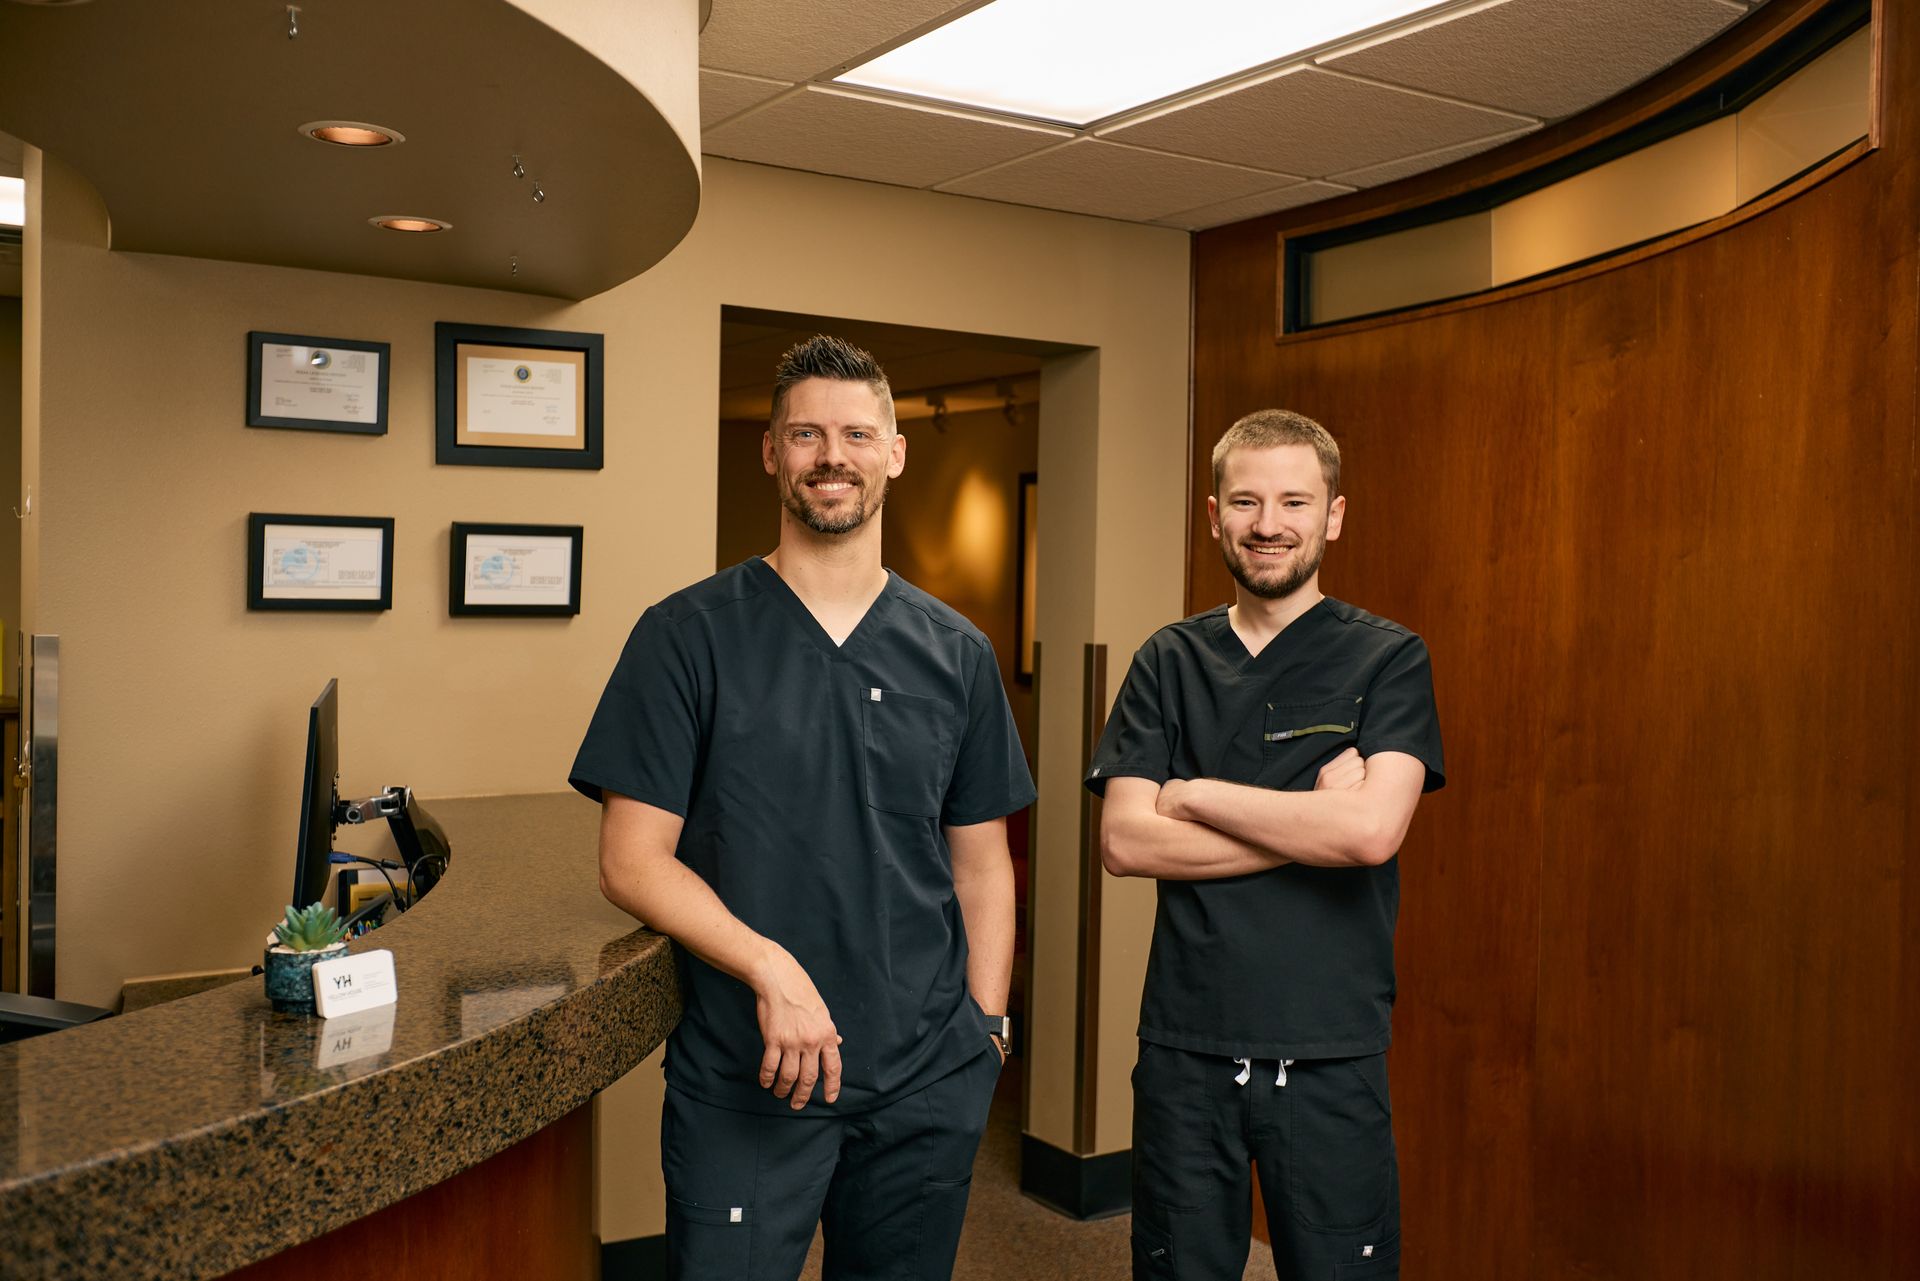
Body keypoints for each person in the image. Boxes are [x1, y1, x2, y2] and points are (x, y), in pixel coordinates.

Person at [570, 334, 1033, 1281]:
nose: (834, 455)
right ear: (772, 451)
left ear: (894, 453)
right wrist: (769, 965)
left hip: (925, 1082)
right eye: (808, 433)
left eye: (858, 433)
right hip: (748, 1076)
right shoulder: (686, 637)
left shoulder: (956, 652)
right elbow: (631, 859)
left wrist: (985, 1030)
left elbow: (982, 861)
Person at [1089, 410, 1444, 1280]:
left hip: (1327, 1052)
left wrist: (1198, 794)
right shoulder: (1167, 661)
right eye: (1245, 501)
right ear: (1213, 515)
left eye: (1294, 500)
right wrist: (1309, 825)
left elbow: (1371, 829)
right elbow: (1127, 842)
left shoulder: (1388, 659)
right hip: (1186, 1049)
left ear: (1334, 515)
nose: (1268, 523)